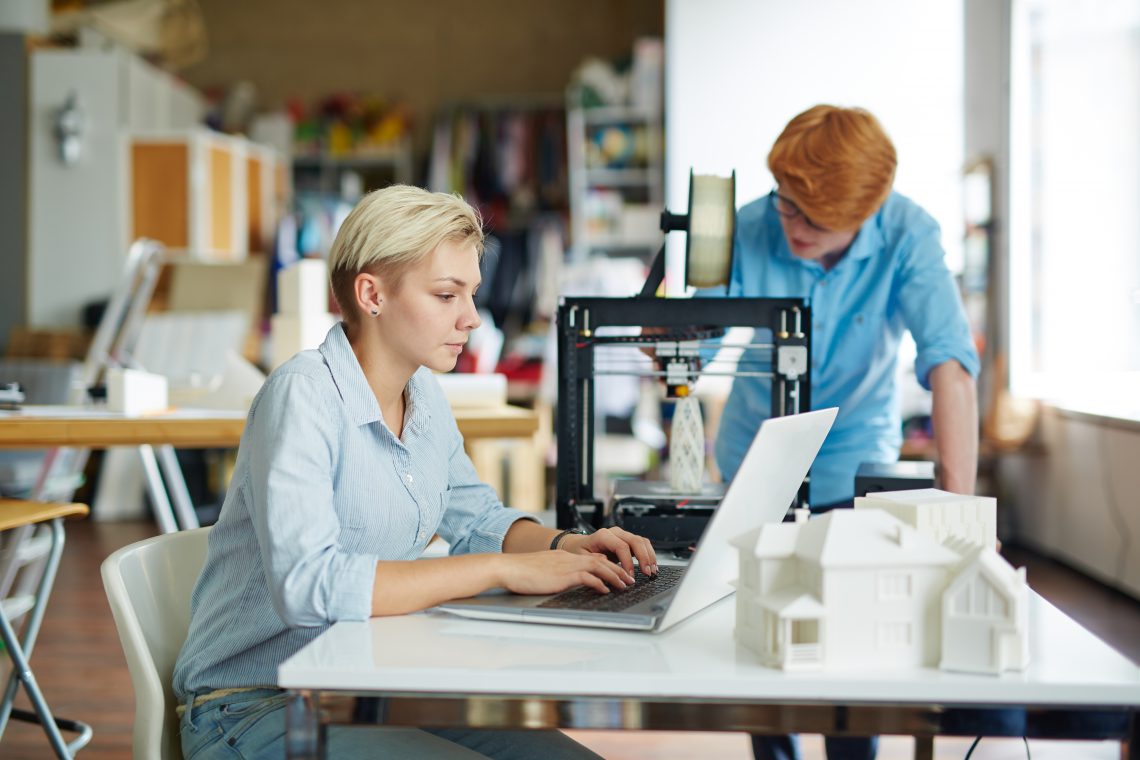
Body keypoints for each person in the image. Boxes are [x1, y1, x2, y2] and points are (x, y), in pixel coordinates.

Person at [172, 184, 658, 760]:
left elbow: (476, 517)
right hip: (256, 704)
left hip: (366, 683)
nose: (473, 318)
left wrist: (569, 547)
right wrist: (505, 568)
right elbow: (310, 588)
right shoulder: (302, 397)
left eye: (471, 294)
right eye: (447, 295)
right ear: (371, 293)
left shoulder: (421, 393)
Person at [713, 106, 980, 760]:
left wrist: (957, 517)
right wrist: (663, 308)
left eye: (815, 218)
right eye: (787, 206)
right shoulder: (750, 226)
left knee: (851, 643)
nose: (793, 227)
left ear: (865, 209)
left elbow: (950, 366)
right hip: (756, 456)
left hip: (853, 457)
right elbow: (693, 336)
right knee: (765, 638)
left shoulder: (908, 235)